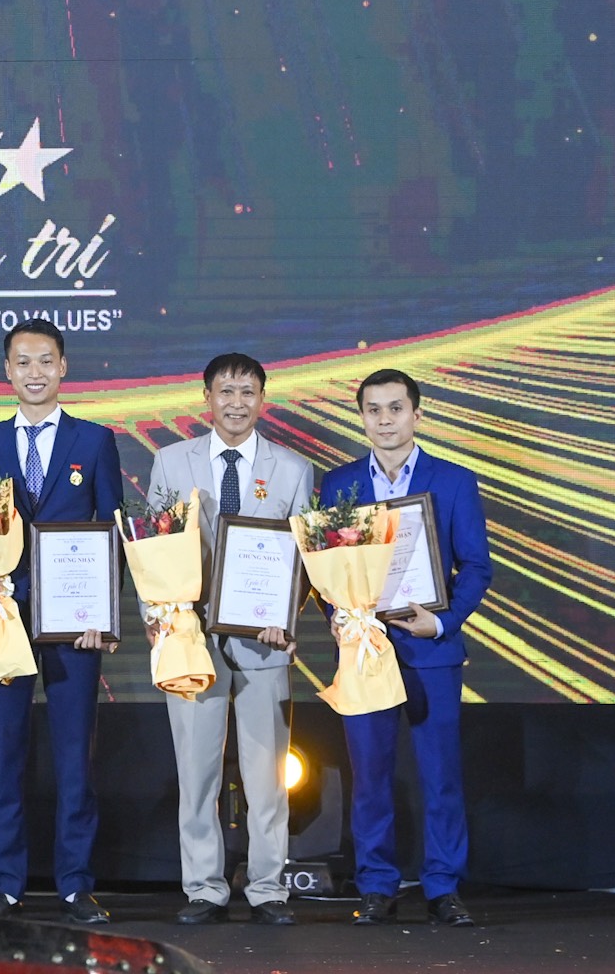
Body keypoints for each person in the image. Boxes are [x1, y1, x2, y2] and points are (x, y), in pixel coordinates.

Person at [0, 319, 124, 923]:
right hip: (1, 617)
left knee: (74, 760)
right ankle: (5, 885)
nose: (35, 372)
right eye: (23, 362)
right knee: (2, 760)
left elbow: (113, 533)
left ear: (63, 367)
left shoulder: (95, 441)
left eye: (45, 361)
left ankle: (76, 886)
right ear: (7, 370)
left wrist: (103, 614)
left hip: (74, 626)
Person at [318, 368, 492, 928]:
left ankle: (443, 886)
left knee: (440, 777)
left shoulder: (454, 481)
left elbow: (476, 567)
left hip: (431, 651)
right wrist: (341, 617)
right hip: (365, 650)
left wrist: (441, 622)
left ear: (417, 414)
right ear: (361, 417)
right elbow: (323, 569)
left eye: (396, 408)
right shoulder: (339, 485)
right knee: (369, 777)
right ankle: (376, 884)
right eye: (374, 409)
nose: (385, 419)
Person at [146, 352, 313, 926]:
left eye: (247, 393)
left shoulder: (292, 469)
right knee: (197, 774)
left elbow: (306, 561)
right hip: (190, 640)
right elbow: (152, 548)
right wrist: (159, 616)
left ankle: (267, 889)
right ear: (207, 398)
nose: (236, 403)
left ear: (262, 400)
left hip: (263, 642)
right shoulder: (171, 462)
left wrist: (286, 617)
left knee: (267, 779)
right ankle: (204, 888)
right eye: (225, 391)